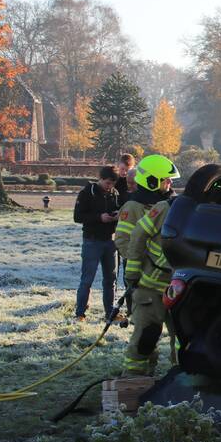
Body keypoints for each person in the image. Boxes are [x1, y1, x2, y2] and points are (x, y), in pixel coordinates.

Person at [121, 154, 180, 376]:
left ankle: (182, 379)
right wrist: (136, 269)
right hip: (147, 283)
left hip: (174, 284)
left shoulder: (173, 206)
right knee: (147, 335)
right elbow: (126, 240)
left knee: (183, 337)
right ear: (152, 181)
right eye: (166, 179)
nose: (171, 183)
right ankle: (134, 380)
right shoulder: (133, 206)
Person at [72, 166, 120, 322]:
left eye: (112, 183)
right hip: (92, 240)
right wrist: (99, 217)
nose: (109, 186)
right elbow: (77, 216)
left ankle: (110, 313)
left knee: (110, 279)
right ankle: (80, 313)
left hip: (110, 240)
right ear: (100, 179)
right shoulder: (87, 193)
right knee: (87, 279)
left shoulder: (114, 194)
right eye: (107, 183)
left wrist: (116, 216)